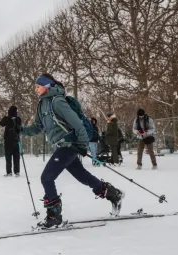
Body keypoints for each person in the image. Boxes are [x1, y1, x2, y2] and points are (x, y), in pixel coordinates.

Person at [21, 73, 124, 228]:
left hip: (69, 145)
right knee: (82, 176)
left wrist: (82, 145)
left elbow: (77, 124)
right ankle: (113, 194)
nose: (35, 89)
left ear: (47, 85)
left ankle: (54, 216)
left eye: (38, 86)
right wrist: (19, 130)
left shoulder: (58, 102)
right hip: (60, 146)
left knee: (47, 178)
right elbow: (37, 127)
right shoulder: (41, 104)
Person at [0, 106, 22, 177]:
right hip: (12, 140)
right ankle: (13, 172)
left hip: (12, 140)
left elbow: (1, 123)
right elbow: (1, 123)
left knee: (13, 157)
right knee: (12, 157)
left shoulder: (16, 119)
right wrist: (7, 118)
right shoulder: (10, 119)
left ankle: (13, 172)